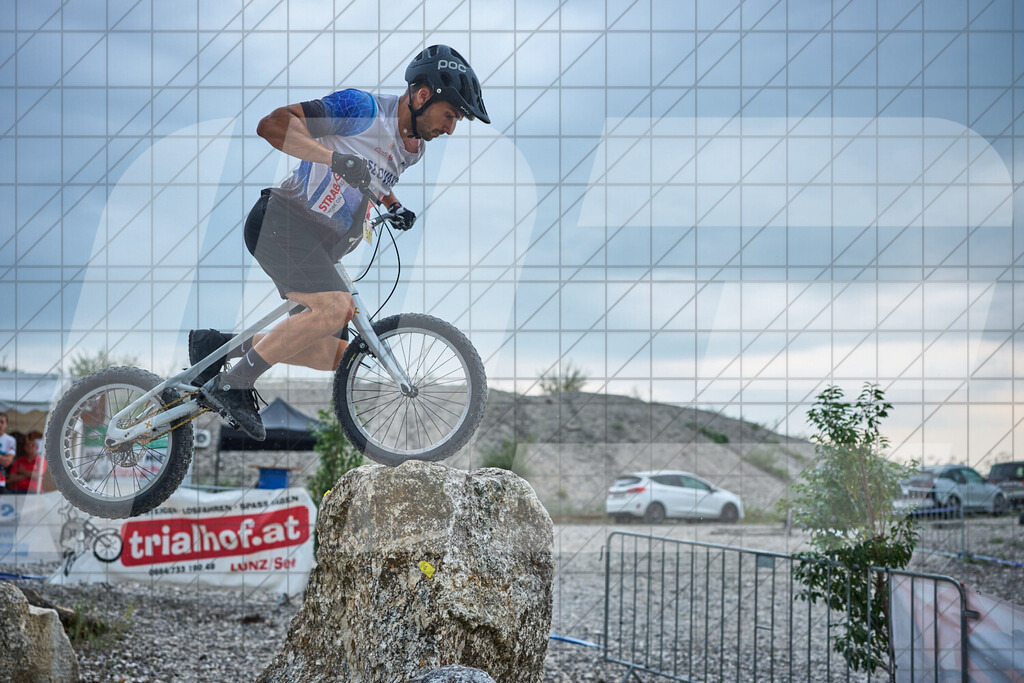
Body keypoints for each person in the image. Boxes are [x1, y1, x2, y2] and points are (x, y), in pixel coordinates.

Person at [189, 45, 490, 441]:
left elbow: (371, 173)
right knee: (335, 308)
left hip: (322, 244)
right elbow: (273, 125)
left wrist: (393, 204)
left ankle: (217, 346)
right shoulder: (362, 109)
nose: (450, 129)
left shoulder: (413, 149)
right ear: (422, 96)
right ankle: (234, 383)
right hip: (282, 223)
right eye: (450, 115)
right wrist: (331, 157)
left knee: (331, 353)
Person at [0, 412, 15, 494]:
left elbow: (7, 462)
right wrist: (3, 457)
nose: (0, 424)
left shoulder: (10, 440)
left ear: (6, 424)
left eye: (2, 422)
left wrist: (5, 459)